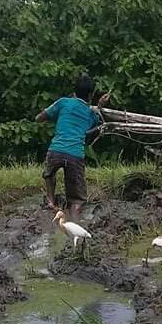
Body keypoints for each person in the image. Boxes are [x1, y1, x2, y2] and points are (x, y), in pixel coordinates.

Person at [35, 74, 110, 219]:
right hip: (75, 155)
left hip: (56, 150)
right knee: (76, 200)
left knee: (49, 174)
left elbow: (40, 118)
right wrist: (99, 106)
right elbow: (93, 122)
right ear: (90, 95)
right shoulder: (90, 114)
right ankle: (75, 220)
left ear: (74, 91)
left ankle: (51, 200)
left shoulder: (63, 102)